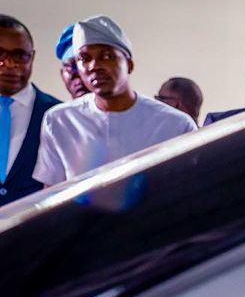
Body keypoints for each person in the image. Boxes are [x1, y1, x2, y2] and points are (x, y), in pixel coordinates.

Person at [33, 15, 195, 187]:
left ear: (129, 64)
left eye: (106, 56)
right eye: (84, 58)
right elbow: (50, 197)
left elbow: (189, 193)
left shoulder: (175, 125)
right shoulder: (60, 120)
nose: (94, 65)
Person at [0, 15, 61, 204]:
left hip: (34, 230)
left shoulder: (59, 115)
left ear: (32, 57)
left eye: (20, 55)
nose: (10, 64)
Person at [54, 23, 88, 101]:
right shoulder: (56, 112)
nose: (78, 80)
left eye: (83, 62)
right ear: (62, 75)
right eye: (69, 68)